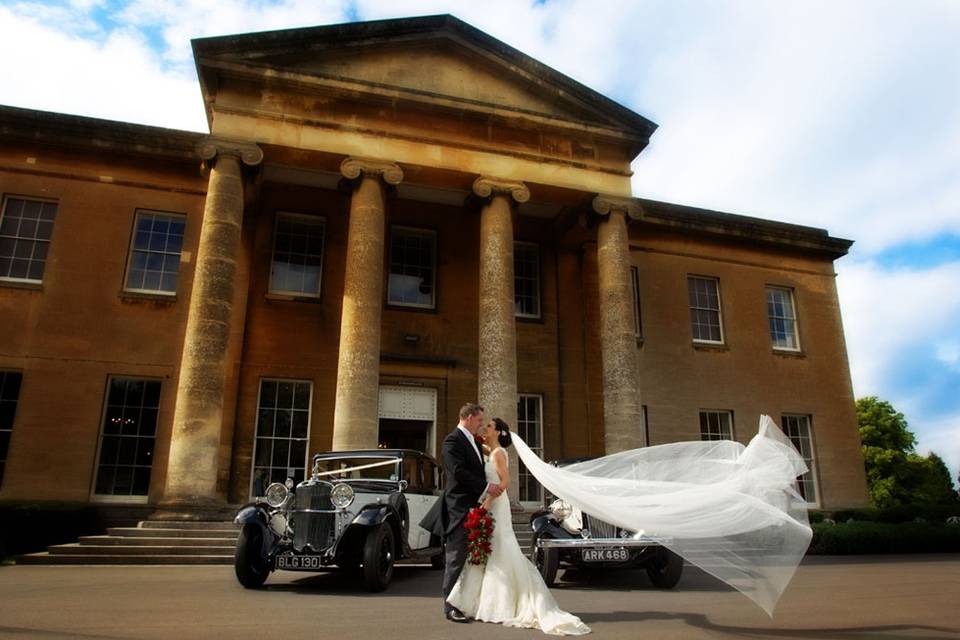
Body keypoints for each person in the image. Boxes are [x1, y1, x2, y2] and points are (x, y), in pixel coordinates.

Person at [447, 418, 591, 635]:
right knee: (491, 550)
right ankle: (485, 602)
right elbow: (476, 446)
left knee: (501, 549)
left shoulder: (498, 454)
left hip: (496, 504)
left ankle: (505, 603)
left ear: (498, 432)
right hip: (491, 504)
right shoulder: (490, 450)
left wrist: (485, 503)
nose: (485, 428)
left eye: (489, 427)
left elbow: (504, 483)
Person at [421, 402, 504, 624]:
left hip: (475, 507)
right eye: (478, 421)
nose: (480, 425)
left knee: (471, 559)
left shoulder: (475, 443)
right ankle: (450, 607)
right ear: (468, 418)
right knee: (456, 558)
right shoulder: (452, 440)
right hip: (458, 508)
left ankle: (468, 602)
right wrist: (487, 488)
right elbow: (457, 471)